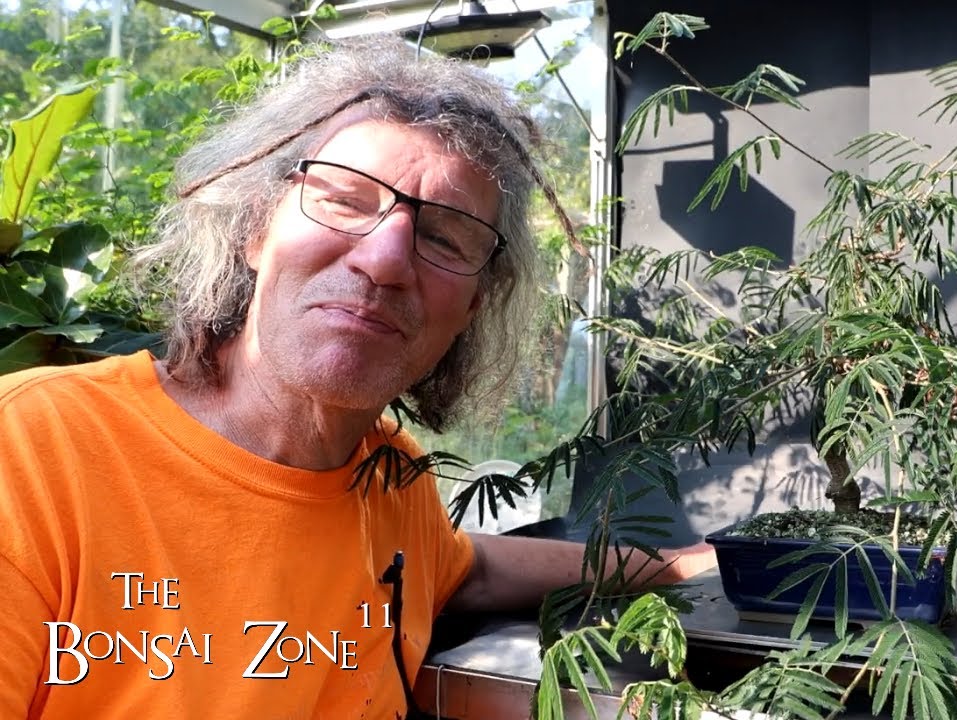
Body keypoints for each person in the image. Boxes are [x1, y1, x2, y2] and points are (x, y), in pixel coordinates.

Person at [0, 36, 715, 719]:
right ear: (256, 228)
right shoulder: (33, 451)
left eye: (443, 236)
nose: (384, 260)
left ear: (472, 305)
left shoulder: (393, 481)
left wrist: (674, 567)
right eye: (345, 199)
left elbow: (474, 570)